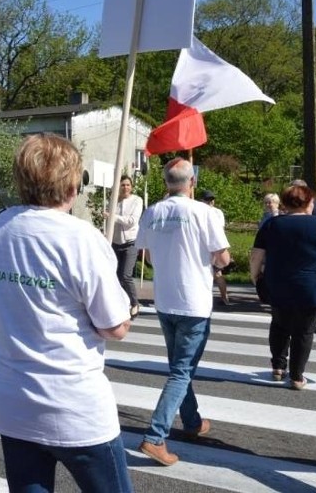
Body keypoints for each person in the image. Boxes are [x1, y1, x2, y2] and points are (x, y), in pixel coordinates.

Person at [0, 133, 134, 493]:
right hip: (74, 408)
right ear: (72, 184)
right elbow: (115, 327)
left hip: (13, 403)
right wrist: (130, 310)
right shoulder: (81, 237)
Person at [135, 158, 230, 466]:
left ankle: (191, 422)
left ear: (166, 183)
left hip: (165, 299)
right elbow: (223, 258)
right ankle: (155, 436)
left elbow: (145, 254)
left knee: (179, 366)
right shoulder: (206, 212)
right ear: (193, 183)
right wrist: (213, 262)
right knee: (181, 370)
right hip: (194, 301)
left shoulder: (153, 211)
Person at [249, 184, 316, 390]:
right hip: (311, 286)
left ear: (284, 203)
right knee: (304, 331)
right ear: (310, 202)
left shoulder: (272, 225)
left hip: (277, 283)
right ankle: (296, 375)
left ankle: (277, 366)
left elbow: (256, 254)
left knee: (279, 324)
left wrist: (255, 275)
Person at [105, 175, 144, 318]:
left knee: (125, 275)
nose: (125, 187)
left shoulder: (137, 200)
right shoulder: (114, 200)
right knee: (114, 276)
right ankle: (121, 303)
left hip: (131, 242)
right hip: (116, 242)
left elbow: (132, 221)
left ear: (131, 186)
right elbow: (110, 221)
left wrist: (112, 217)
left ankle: (135, 303)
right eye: (122, 185)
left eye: (128, 185)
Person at [200, 190, 231, 306]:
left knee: (216, 272)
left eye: (211, 199)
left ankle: (224, 296)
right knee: (216, 273)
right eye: (208, 199)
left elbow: (219, 230)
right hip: (215, 244)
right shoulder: (216, 212)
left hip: (212, 245)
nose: (210, 202)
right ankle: (224, 297)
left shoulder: (215, 212)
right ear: (202, 200)